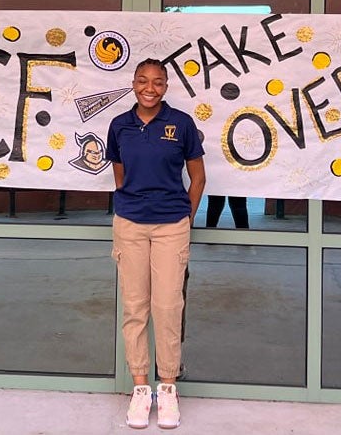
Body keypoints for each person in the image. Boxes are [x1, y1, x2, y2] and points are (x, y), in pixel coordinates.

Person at [106, 58, 205, 430]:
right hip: (130, 224)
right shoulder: (120, 125)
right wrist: (132, 201)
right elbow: (121, 174)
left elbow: (197, 177)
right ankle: (140, 388)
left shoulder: (180, 124)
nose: (150, 88)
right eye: (143, 81)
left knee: (167, 307)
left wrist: (185, 218)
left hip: (170, 226)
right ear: (133, 83)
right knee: (135, 307)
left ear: (166, 86)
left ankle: (167, 389)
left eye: (158, 82)